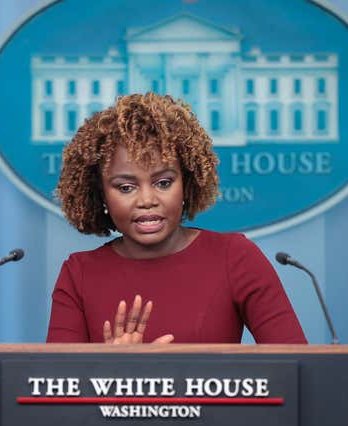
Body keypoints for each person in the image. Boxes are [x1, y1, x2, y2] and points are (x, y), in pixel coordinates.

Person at [46, 93, 307, 344]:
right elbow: (54, 386)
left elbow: (298, 368)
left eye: (163, 182)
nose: (147, 199)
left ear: (187, 183)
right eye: (126, 187)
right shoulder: (79, 274)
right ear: (101, 194)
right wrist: (114, 370)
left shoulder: (236, 257)